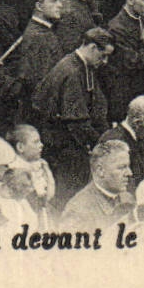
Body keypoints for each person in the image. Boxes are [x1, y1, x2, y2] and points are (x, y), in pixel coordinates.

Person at [32, 27, 113, 205]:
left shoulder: (82, 65)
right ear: (92, 48)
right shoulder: (73, 72)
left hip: (67, 140)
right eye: (103, 55)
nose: (105, 61)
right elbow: (76, 122)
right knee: (68, 195)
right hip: (62, 147)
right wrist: (103, 144)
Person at [58, 137, 134, 226]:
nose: (129, 173)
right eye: (121, 168)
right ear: (100, 170)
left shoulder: (128, 199)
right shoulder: (78, 210)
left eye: (128, 167)